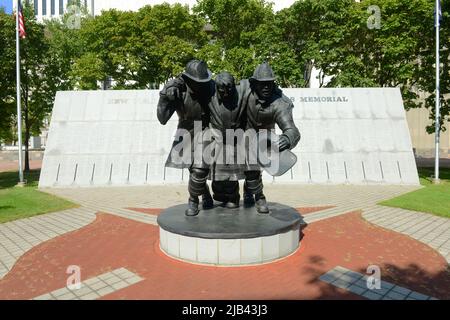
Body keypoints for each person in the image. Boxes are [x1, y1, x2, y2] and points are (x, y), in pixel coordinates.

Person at [237, 62, 301, 213]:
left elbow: (292, 130)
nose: (266, 87)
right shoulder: (244, 90)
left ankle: (253, 194)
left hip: (265, 139)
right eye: (262, 84)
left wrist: (287, 138)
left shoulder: (280, 103)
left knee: (255, 169)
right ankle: (257, 194)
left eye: (269, 84)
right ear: (254, 83)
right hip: (243, 134)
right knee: (250, 168)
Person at [157, 59, 214, 216]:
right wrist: (164, 97)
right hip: (186, 132)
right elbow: (162, 119)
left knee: (199, 169)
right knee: (193, 170)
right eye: (197, 82)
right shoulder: (177, 90)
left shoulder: (212, 87)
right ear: (188, 79)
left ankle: (193, 200)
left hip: (206, 130)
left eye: (203, 82)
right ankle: (206, 195)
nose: (200, 85)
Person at [207, 72, 247, 208]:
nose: (225, 93)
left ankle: (233, 197)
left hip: (234, 140)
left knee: (232, 175)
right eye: (221, 90)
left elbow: (253, 83)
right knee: (217, 174)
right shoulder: (209, 93)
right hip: (215, 140)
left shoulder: (241, 92)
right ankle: (218, 196)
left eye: (229, 89)